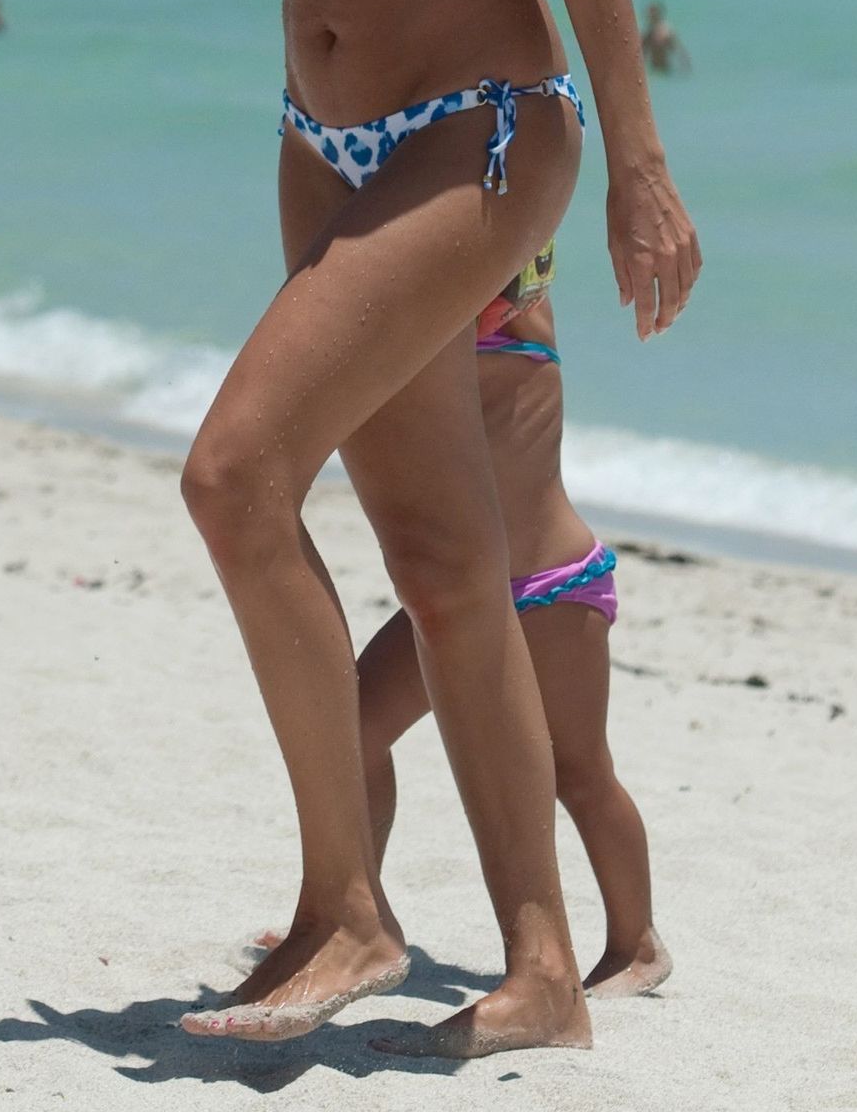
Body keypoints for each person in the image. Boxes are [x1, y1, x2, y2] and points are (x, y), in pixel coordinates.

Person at [154, 0, 700, 1057]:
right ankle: (541, 975)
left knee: (236, 475)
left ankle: (350, 912)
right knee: (448, 561)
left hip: (478, 128)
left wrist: (638, 166)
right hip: (319, 144)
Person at [247, 278, 670, 1000]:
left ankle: (637, 945)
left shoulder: (514, 299)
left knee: (580, 772)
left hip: (551, 585)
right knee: (353, 731)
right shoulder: (430, 301)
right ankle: (350, 914)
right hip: (465, 591)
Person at [640, 0, 691, 75]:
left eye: (652, 14)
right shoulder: (648, 33)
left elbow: (678, 50)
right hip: (654, 69)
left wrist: (685, 65)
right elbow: (641, 53)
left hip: (664, 69)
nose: (650, 16)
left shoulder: (666, 31)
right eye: (650, 14)